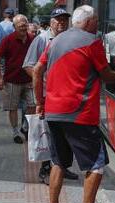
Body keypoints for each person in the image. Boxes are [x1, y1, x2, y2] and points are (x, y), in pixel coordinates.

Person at [33, 5, 115, 203]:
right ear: (89, 22)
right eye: (96, 21)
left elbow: (36, 71)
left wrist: (40, 103)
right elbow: (107, 75)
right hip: (79, 114)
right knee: (97, 163)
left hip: (54, 112)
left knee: (58, 162)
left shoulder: (55, 41)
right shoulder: (92, 42)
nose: (97, 25)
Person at [23, 8, 78, 182]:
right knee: (48, 133)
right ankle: (46, 169)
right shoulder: (42, 39)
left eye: (64, 19)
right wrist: (43, 82)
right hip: (48, 95)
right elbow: (28, 65)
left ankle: (61, 167)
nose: (61, 22)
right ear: (51, 22)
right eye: (57, 19)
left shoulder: (71, 39)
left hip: (67, 96)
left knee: (65, 133)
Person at [0, 14, 35, 144]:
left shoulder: (33, 39)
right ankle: (15, 132)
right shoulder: (7, 40)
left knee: (33, 104)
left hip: (29, 79)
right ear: (14, 27)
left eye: (25, 25)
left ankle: (25, 127)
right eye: (20, 25)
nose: (23, 27)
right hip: (12, 80)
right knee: (13, 108)